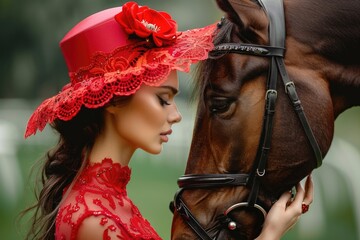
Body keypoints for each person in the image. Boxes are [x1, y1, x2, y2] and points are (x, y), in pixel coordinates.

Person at [23, 2, 313, 240]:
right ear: (112, 98)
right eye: (162, 100)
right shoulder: (93, 218)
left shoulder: (104, 201)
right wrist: (270, 235)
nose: (175, 115)